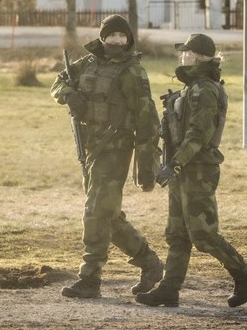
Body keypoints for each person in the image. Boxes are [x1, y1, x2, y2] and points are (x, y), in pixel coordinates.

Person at [135, 33, 247, 308]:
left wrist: (174, 164)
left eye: (186, 52)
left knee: (203, 234)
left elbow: (198, 135)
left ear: (196, 56)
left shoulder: (205, 89)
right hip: (184, 168)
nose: (182, 56)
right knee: (177, 233)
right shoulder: (192, 88)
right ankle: (169, 289)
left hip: (198, 169)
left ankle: (245, 275)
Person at [50, 15, 163, 299]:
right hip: (92, 149)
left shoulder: (133, 72)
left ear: (128, 40)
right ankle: (150, 263)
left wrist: (147, 164)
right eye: (110, 36)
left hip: (116, 150)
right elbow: (58, 83)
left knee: (95, 211)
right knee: (107, 214)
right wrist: (68, 95)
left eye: (121, 37)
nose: (115, 41)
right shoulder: (87, 63)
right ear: (102, 38)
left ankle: (90, 279)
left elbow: (148, 120)